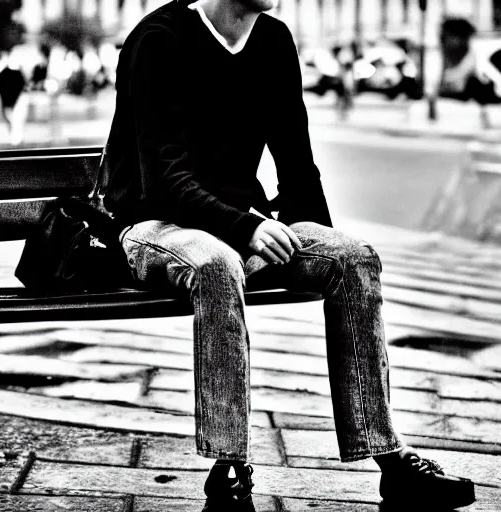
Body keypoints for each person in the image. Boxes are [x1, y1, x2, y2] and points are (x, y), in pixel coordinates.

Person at [103, 0, 476, 510]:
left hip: (239, 222)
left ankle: (387, 454)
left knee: (353, 258)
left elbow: (297, 163)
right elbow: (165, 179)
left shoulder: (273, 40)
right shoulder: (160, 39)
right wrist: (248, 225)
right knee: (216, 265)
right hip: (154, 223)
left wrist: (315, 238)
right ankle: (229, 467)